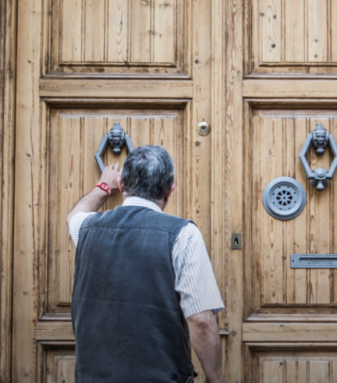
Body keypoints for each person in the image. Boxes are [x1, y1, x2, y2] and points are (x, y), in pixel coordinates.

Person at [67, 145, 225, 383]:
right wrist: (216, 379)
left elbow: (74, 215)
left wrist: (102, 187)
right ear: (169, 191)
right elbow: (201, 320)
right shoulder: (183, 234)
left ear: (121, 186)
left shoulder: (85, 228)